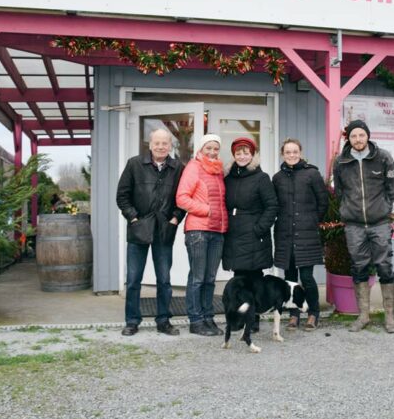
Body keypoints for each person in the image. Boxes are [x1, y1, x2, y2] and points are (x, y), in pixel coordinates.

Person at [116, 128, 185, 337]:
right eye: (157, 143)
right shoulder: (134, 164)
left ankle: (163, 320)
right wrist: (134, 218)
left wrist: (175, 218)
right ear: (150, 144)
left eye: (165, 143)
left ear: (170, 146)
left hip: (164, 230)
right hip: (139, 230)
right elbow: (122, 196)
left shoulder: (178, 167)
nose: (161, 147)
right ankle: (132, 321)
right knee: (134, 278)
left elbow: (183, 197)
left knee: (164, 279)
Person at [333, 120, 394, 334]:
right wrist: (347, 208)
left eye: (361, 135)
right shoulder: (341, 162)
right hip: (354, 224)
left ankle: (390, 318)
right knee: (359, 267)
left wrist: (385, 206)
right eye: (354, 136)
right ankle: (363, 316)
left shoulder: (383, 157)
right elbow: (340, 190)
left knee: (384, 266)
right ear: (349, 139)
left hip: (379, 222)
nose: (358, 139)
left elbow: (393, 186)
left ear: (367, 136)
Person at [222, 137, 278, 332]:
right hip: (235, 235)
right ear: (234, 155)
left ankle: (253, 320)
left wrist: (259, 228)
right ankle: (240, 318)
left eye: (246, 153)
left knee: (254, 280)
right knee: (239, 280)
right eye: (238, 153)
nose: (242, 156)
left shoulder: (261, 178)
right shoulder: (228, 178)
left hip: (254, 236)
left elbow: (272, 206)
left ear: (252, 154)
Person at [272, 138, 328, 331]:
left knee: (307, 278)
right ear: (283, 154)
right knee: (290, 279)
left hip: (307, 235)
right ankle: (294, 314)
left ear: (300, 152)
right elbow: (275, 206)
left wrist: (312, 221)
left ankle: (313, 313)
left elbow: (323, 201)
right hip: (285, 235)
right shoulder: (277, 178)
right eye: (288, 152)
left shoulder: (312, 174)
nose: (292, 155)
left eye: (295, 151)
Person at [176, 134, 228, 336]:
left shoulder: (218, 171)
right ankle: (196, 320)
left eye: (216, 148)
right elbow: (181, 198)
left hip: (218, 231)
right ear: (201, 149)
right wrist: (206, 210)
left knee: (210, 278)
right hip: (198, 230)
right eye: (209, 148)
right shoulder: (193, 167)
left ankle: (208, 317)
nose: (213, 152)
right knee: (197, 278)